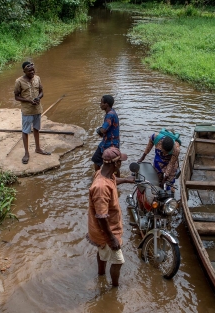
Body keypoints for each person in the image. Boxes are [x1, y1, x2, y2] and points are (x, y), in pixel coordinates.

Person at [86, 147, 133, 287]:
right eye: (120, 162)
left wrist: (125, 179)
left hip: (102, 230)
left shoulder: (102, 173)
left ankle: (101, 275)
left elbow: (112, 180)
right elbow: (101, 217)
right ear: (116, 164)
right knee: (119, 261)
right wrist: (112, 238)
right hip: (107, 230)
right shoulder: (101, 188)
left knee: (102, 251)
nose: (121, 164)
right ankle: (114, 289)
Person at [14, 61, 51, 164]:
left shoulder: (37, 78)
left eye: (33, 70)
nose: (32, 72)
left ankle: (38, 148)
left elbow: (42, 92)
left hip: (37, 109)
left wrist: (38, 98)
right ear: (24, 71)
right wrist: (29, 101)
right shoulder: (19, 81)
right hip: (27, 110)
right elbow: (16, 96)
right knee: (26, 131)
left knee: (36, 128)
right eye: (29, 70)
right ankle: (26, 153)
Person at [92, 95, 120, 173]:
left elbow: (103, 130)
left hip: (110, 144)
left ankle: (100, 178)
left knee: (100, 161)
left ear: (106, 104)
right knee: (112, 164)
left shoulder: (110, 115)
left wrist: (99, 131)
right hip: (109, 142)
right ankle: (115, 180)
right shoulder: (112, 112)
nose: (100, 104)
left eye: (101, 103)